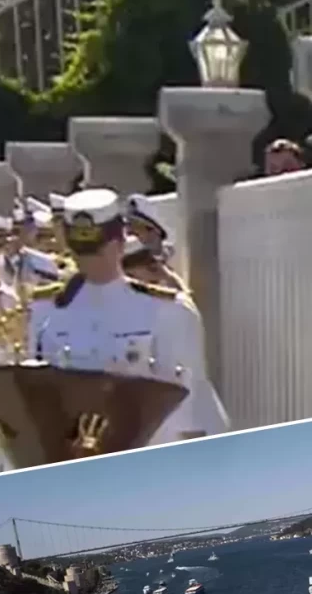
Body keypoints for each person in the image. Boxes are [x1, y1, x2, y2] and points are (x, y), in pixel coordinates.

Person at [29, 189, 221, 445]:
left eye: (97, 250)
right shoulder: (46, 311)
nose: (88, 261)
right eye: (80, 251)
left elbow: (191, 406)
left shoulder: (168, 311)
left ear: (120, 243)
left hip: (147, 462)